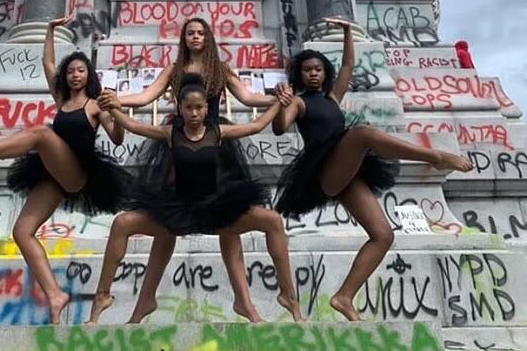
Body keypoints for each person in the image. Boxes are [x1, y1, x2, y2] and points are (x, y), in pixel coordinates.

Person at [0, 15, 129, 324]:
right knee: (22, 231)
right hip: (53, 173)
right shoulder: (61, 98)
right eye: (71, 71)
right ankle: (55, 294)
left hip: (77, 173)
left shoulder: (94, 105)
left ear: (89, 75)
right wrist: (50, 30)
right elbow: (48, 64)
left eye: (81, 71)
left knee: (40, 133)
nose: (75, 75)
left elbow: (117, 137)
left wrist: (115, 110)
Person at [273, 17, 474, 322]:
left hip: (348, 172)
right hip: (324, 171)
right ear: (299, 75)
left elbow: (348, 68)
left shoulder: (331, 97)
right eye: (307, 70)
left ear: (323, 73)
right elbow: (279, 129)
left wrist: (345, 33)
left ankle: (344, 297)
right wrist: (281, 103)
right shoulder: (299, 103)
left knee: (383, 235)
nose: (313, 73)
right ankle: (434, 156)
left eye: (318, 69)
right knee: (363, 133)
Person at [103, 16, 281, 323]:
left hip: (216, 143)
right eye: (190, 33)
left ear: (208, 37)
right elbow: (146, 96)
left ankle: (244, 301)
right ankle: (145, 300)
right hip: (177, 143)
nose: (195, 37)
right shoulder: (174, 70)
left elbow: (248, 97)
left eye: (200, 33)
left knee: (229, 215)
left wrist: (277, 98)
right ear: (183, 38)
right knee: (167, 215)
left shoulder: (219, 69)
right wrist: (115, 101)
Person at [87, 73, 302, 323]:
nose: (194, 113)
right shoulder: (170, 133)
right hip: (179, 210)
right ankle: (102, 296)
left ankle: (288, 296)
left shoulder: (218, 132)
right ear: (180, 108)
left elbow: (255, 126)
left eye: (199, 107)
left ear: (207, 108)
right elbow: (134, 127)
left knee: (273, 220)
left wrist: (279, 101)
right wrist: (114, 107)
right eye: (188, 108)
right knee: (121, 223)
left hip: (216, 210)